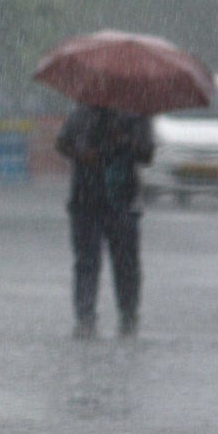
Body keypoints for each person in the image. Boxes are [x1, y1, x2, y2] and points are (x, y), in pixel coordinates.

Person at [56, 104, 153, 338]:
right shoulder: (82, 113)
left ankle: (128, 317)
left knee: (126, 264)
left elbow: (147, 154)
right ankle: (85, 319)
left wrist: (125, 140)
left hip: (122, 202)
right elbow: (62, 144)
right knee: (87, 263)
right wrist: (81, 153)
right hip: (85, 201)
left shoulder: (136, 116)